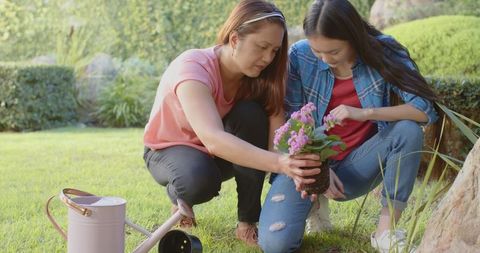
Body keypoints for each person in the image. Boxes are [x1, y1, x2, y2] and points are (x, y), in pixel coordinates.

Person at [258, 0, 440, 252]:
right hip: (308, 166)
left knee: (407, 130)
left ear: (353, 37)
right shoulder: (300, 56)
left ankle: (385, 232)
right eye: (317, 51)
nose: (324, 59)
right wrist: (319, 166)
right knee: (275, 244)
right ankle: (314, 205)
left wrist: (365, 113)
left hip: (357, 166)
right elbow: (293, 122)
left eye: (333, 52)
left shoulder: (383, 52)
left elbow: (424, 108)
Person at [142, 0, 322, 247]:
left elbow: (276, 140)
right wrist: (282, 163)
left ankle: (247, 223)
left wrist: (300, 168)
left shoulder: (258, 78)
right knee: (198, 182)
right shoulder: (193, 66)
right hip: (168, 150)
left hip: (214, 155)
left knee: (251, 114)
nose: (268, 58)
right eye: (262, 47)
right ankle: (179, 194)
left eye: (274, 51)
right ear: (235, 39)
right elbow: (213, 139)